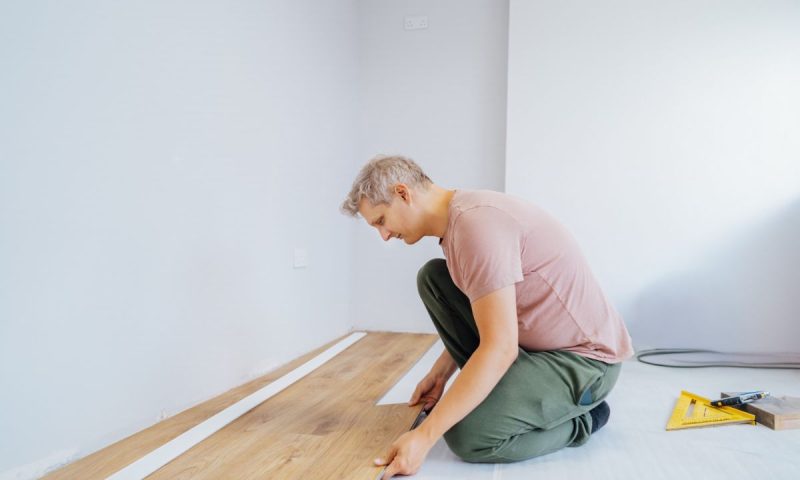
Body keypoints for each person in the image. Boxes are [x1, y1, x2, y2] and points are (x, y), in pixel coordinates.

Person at [340, 155, 634, 479]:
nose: (383, 235)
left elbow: (500, 346)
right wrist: (442, 373)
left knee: (468, 436)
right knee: (433, 278)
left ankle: (584, 420)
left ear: (403, 193)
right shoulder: (458, 224)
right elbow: (489, 314)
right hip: (535, 349)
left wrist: (424, 437)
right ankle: (503, 393)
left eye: (381, 221)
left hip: (585, 363)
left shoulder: (476, 226)